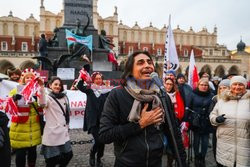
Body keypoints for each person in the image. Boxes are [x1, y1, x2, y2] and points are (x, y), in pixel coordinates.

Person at [99, 51, 186, 167]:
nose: (147, 65)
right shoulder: (117, 95)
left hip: (155, 163)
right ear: (130, 70)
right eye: (140, 63)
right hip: (126, 163)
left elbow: (174, 133)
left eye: (149, 62)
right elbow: (104, 135)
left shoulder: (162, 96)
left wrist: (182, 160)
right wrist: (140, 124)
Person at [209, 76, 250, 167]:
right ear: (231, 86)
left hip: (244, 144)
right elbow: (212, 115)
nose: (237, 87)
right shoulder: (222, 100)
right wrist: (216, 119)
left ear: (245, 86)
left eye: (240, 84)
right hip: (225, 143)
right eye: (235, 84)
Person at [9, 68, 44, 167]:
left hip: (33, 127)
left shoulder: (37, 90)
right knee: (20, 153)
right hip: (20, 127)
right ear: (23, 79)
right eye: (27, 77)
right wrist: (14, 99)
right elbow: (9, 105)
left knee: (32, 152)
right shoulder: (16, 90)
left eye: (31, 77)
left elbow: (42, 105)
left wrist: (37, 99)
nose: (29, 79)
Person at [76, 70, 111, 167]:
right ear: (93, 80)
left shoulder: (106, 91)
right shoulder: (89, 89)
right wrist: (82, 76)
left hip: (103, 120)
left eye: (100, 78)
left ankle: (99, 157)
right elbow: (79, 86)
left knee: (102, 141)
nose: (99, 80)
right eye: (96, 79)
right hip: (92, 120)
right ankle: (92, 154)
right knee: (98, 140)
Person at [38, 76, 73, 167]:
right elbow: (42, 103)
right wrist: (41, 87)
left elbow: (66, 114)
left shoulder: (64, 97)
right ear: (50, 85)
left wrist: (67, 126)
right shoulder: (48, 97)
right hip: (52, 134)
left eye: (59, 85)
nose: (58, 86)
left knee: (69, 155)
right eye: (55, 84)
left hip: (63, 132)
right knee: (52, 160)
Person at [186, 78, 214, 167]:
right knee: (196, 140)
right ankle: (197, 157)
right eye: (202, 85)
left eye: (205, 85)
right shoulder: (192, 94)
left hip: (206, 121)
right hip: (196, 121)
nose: (204, 87)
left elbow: (213, 108)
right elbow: (188, 107)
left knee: (205, 141)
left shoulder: (211, 95)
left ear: (208, 86)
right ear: (198, 85)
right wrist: (186, 120)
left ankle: (202, 157)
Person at [164, 77, 188, 166]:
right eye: (167, 84)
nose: (169, 86)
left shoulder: (176, 94)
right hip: (164, 123)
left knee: (172, 145)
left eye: (170, 84)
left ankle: (169, 163)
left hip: (174, 122)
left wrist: (179, 118)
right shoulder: (160, 94)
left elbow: (181, 107)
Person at [208, 79, 230, 167]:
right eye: (220, 88)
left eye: (225, 87)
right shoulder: (215, 99)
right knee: (217, 152)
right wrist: (216, 119)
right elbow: (211, 114)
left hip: (230, 131)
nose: (222, 90)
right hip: (217, 130)